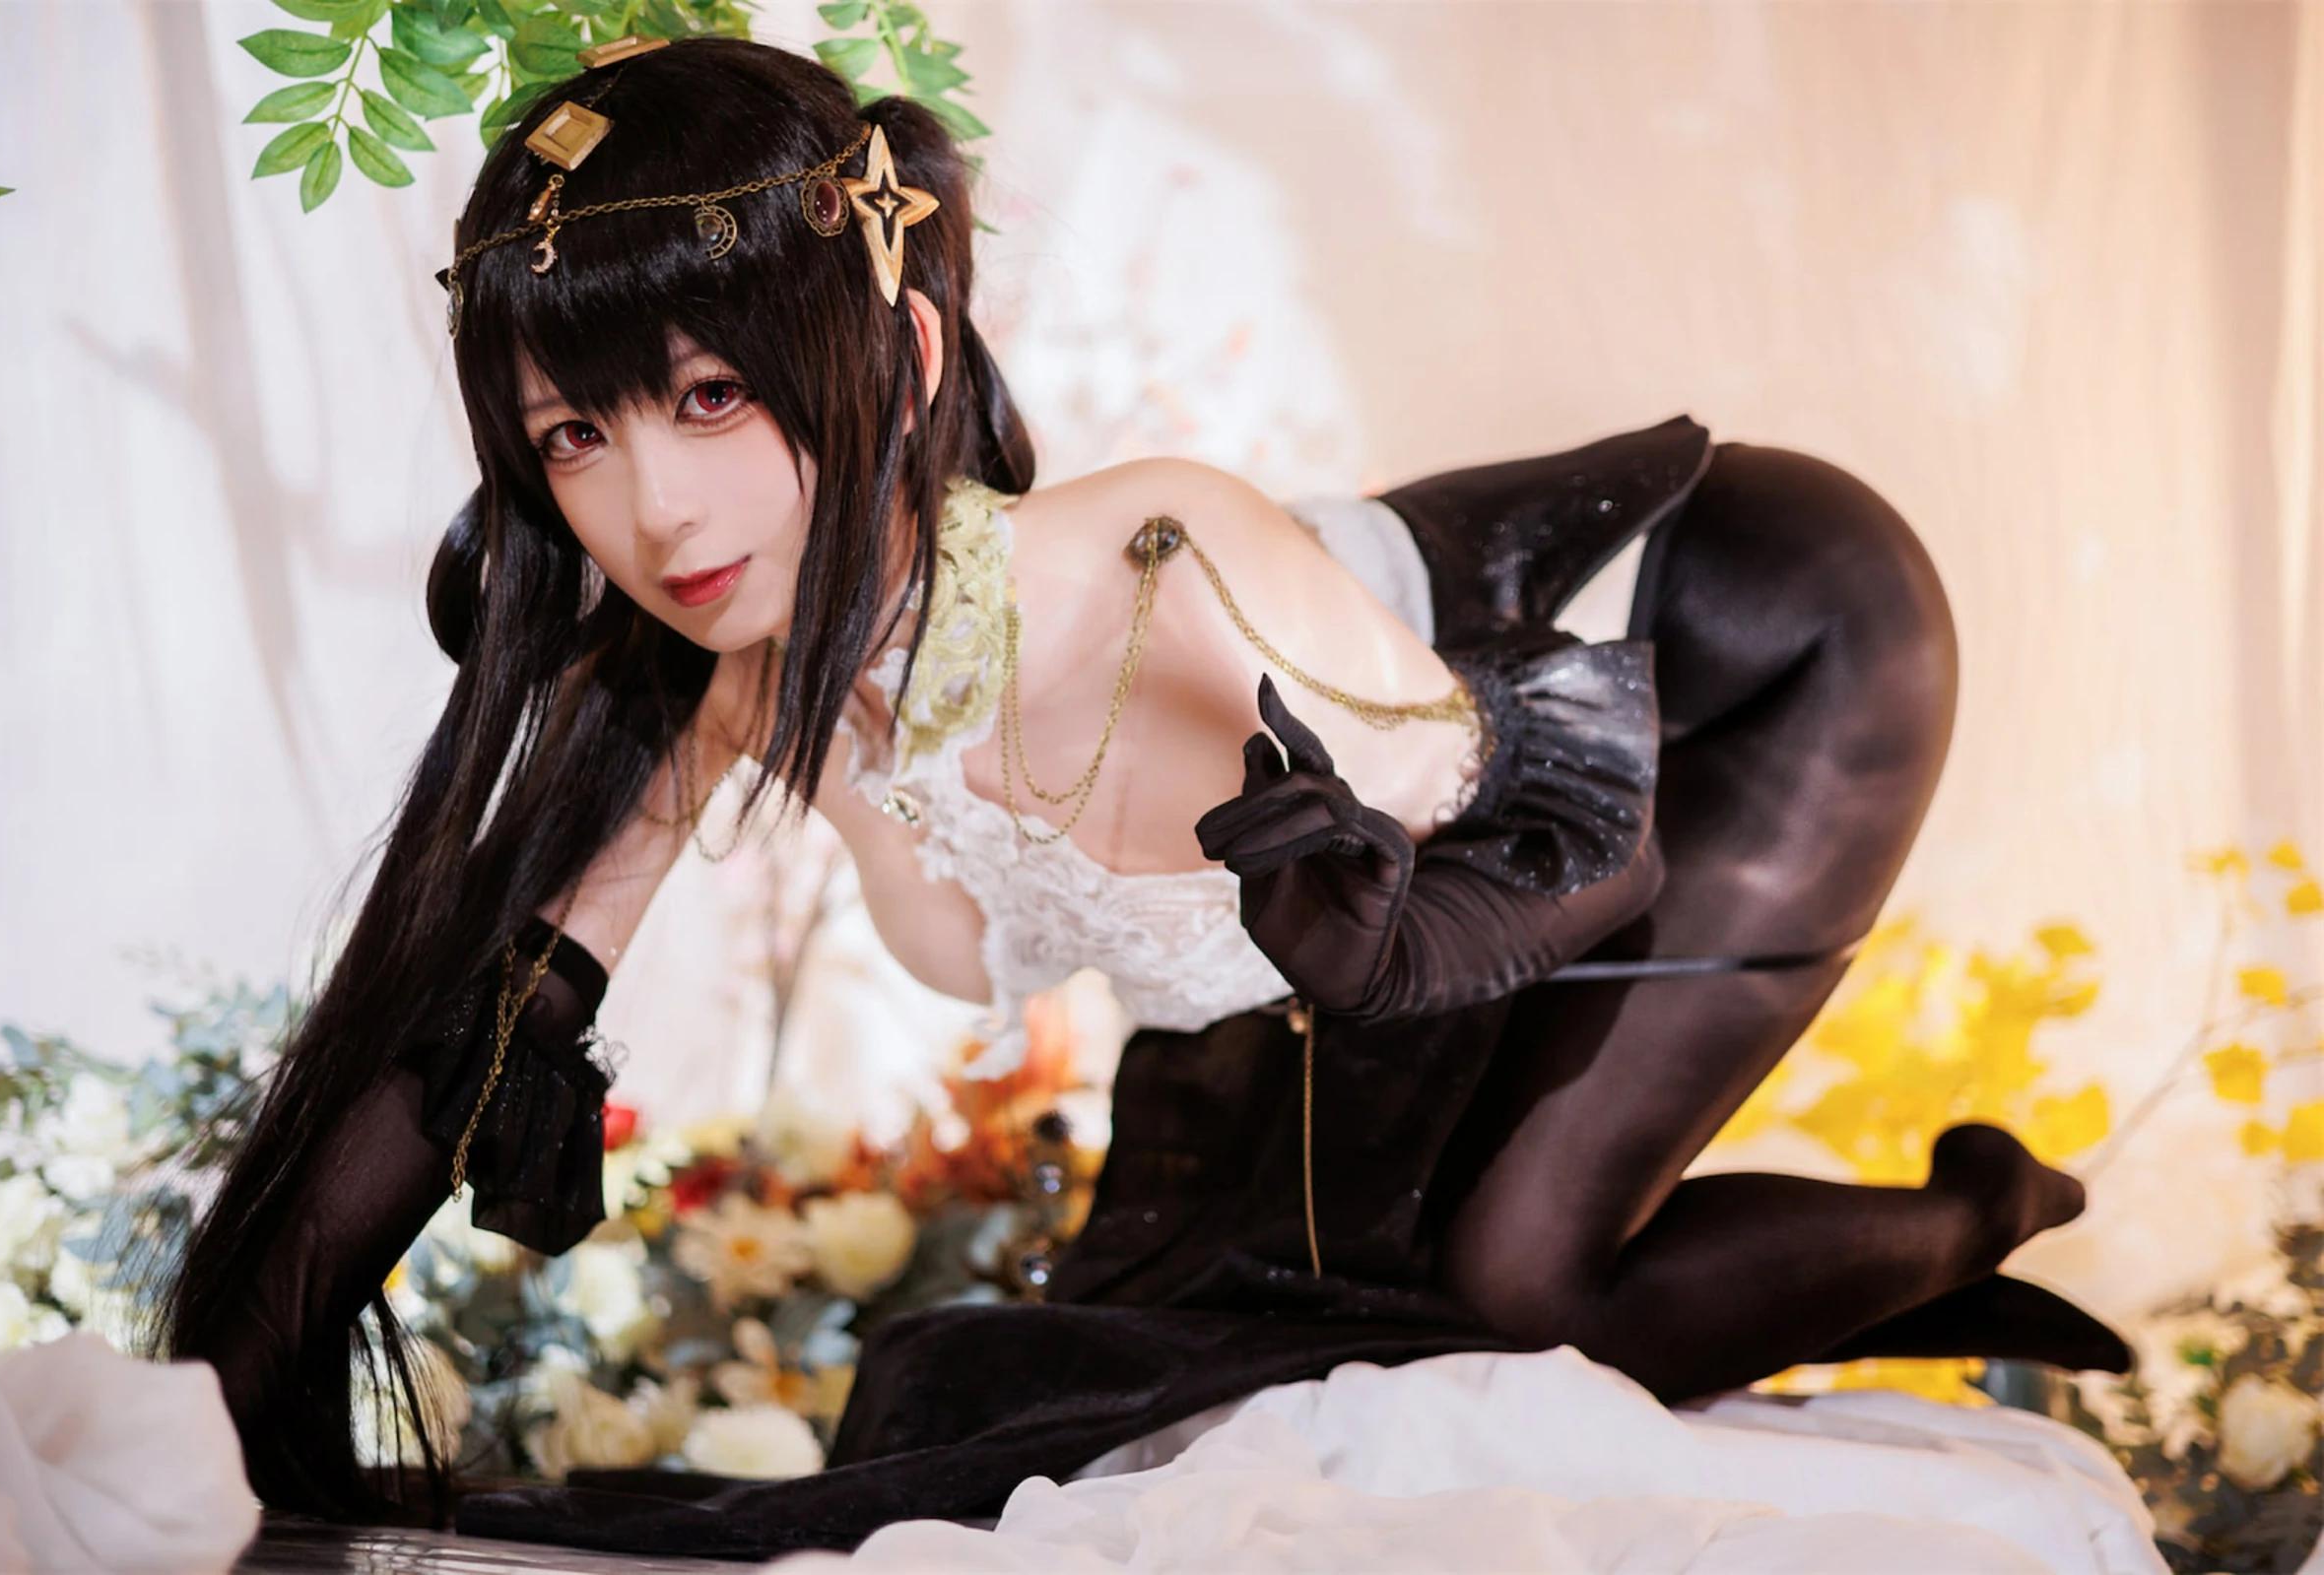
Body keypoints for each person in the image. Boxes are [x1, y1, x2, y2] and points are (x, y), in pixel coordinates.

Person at [161, 35, 2130, 1559]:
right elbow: (472, 1024)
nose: (657, 507)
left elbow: (1547, 823)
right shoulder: (717, 686)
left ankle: (1977, 1203)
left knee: (1516, 1278)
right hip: (1430, 802)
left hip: (1756, 635)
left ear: (899, 349)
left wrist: (1364, 949)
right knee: (1143, 1351)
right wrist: (219, 1415)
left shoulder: (1157, 556)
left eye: (711, 396)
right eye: (573, 436)